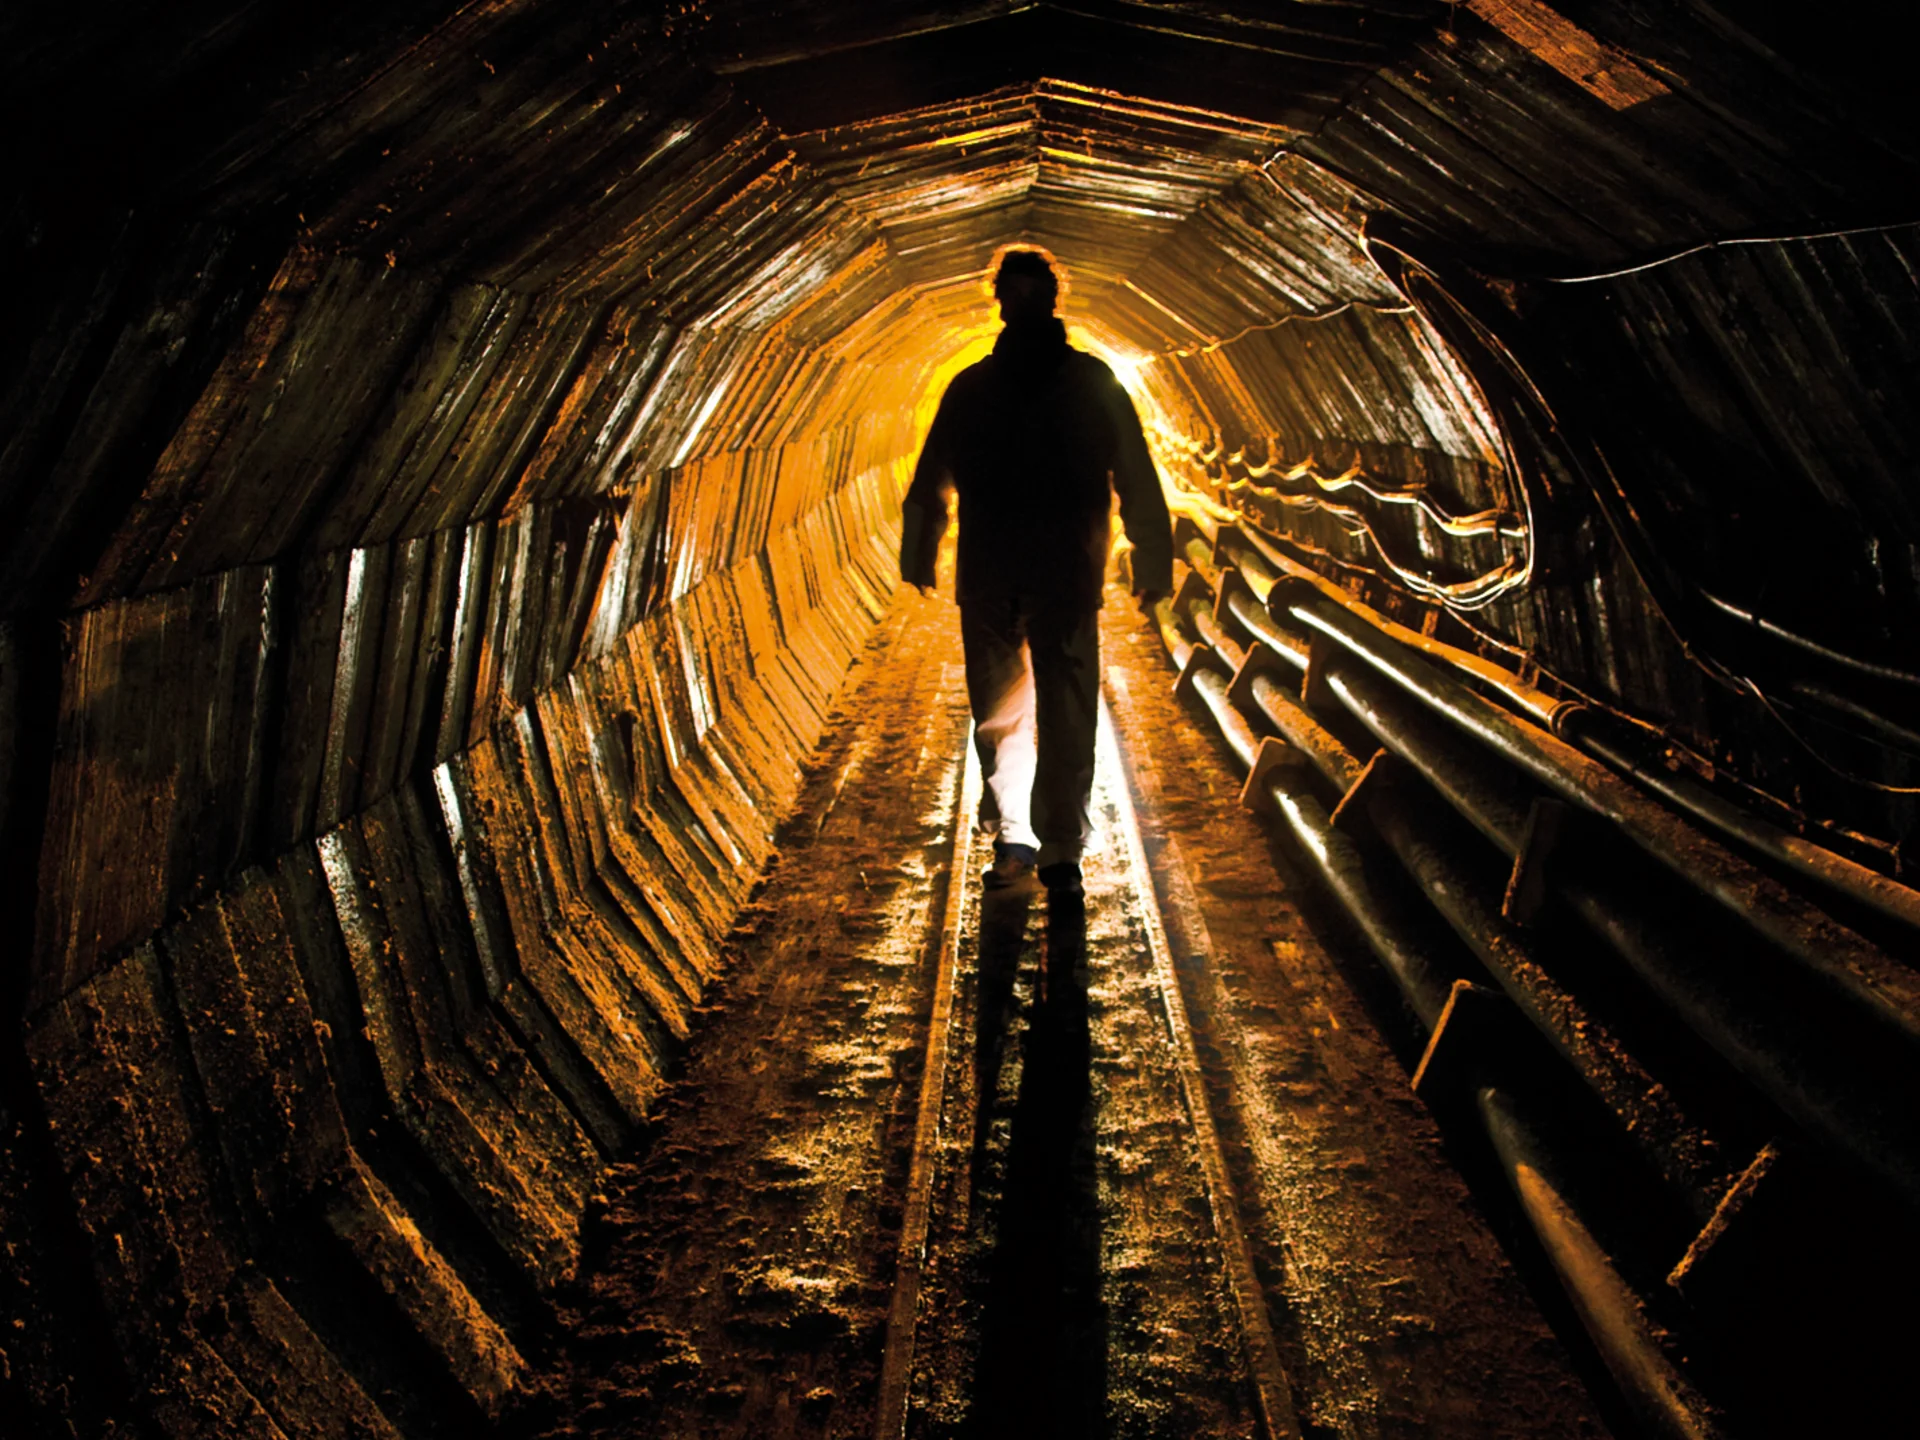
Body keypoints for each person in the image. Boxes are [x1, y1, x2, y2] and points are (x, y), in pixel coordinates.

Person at [901, 248, 1172, 897]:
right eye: (1017, 296)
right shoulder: (1089, 383)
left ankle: (1042, 842)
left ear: (1021, 302)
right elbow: (1133, 472)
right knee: (1038, 709)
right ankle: (1040, 841)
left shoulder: (976, 387)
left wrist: (922, 545)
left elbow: (931, 474)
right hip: (1050, 574)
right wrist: (921, 543)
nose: (1020, 307)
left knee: (1022, 710)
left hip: (1017, 574)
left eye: (1023, 296)